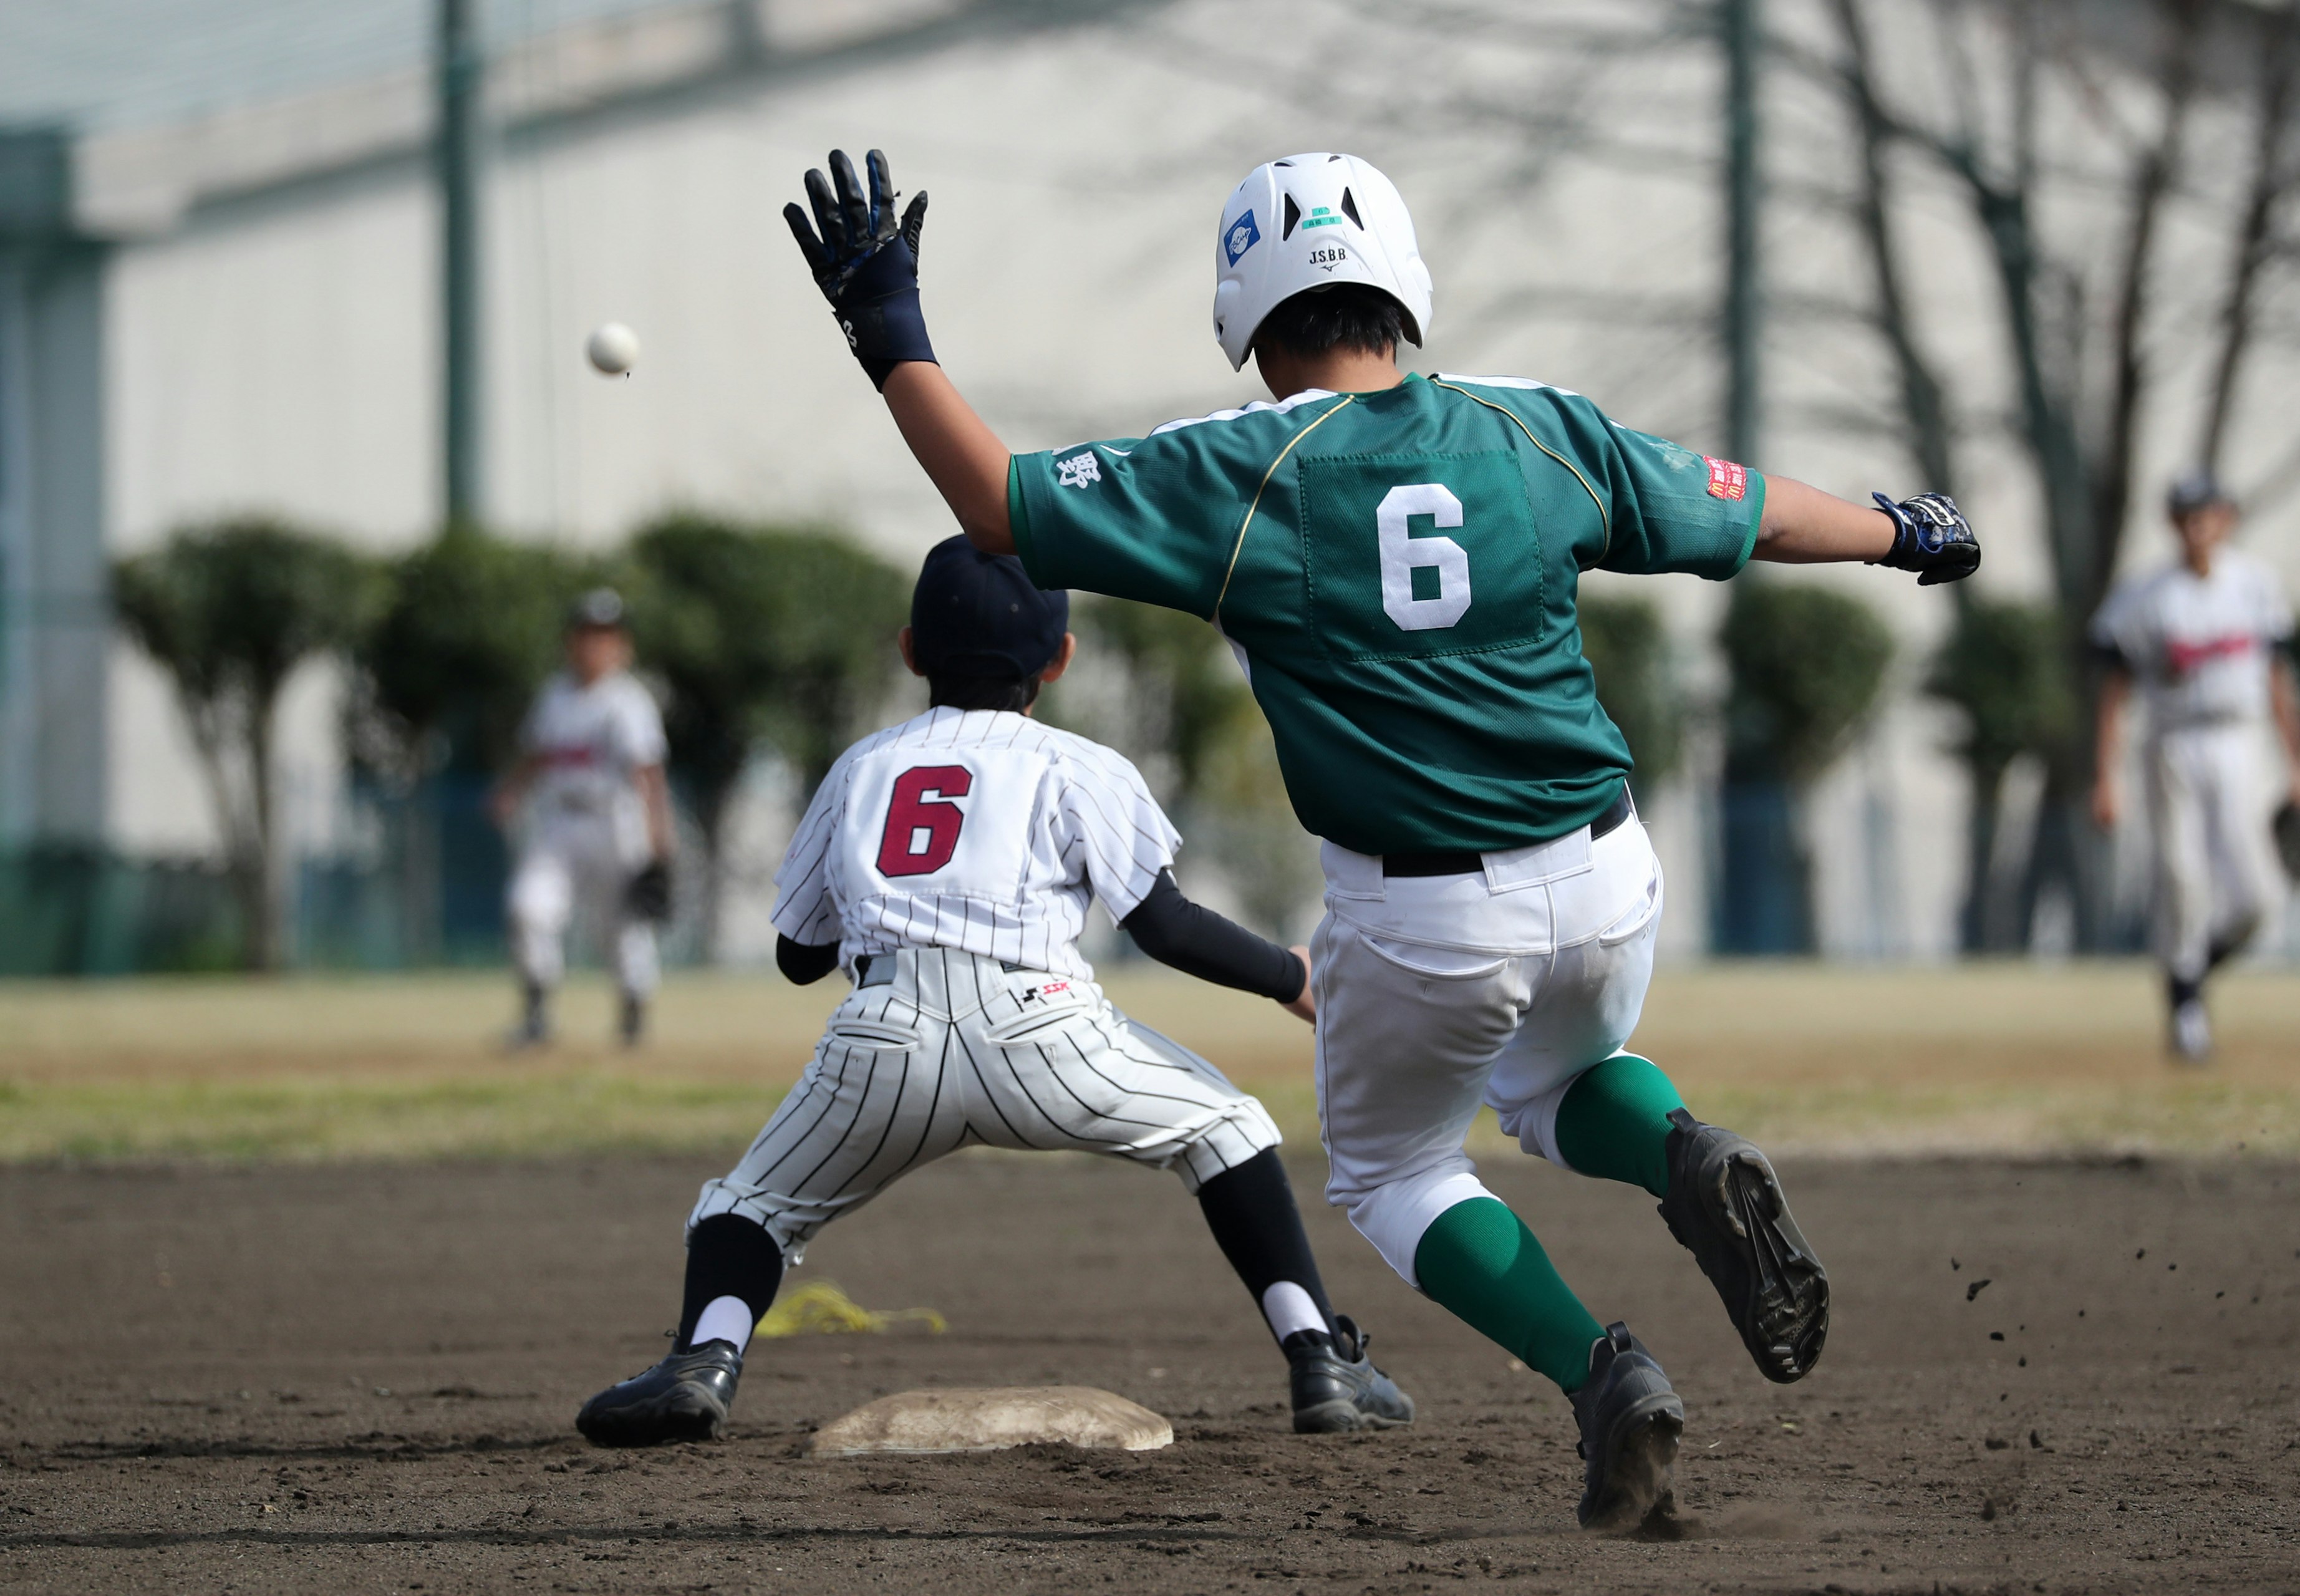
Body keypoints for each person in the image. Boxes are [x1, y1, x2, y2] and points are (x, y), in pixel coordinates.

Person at [779, 147, 1978, 1532]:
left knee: (1395, 1170)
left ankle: (1603, 1371)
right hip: (1606, 875)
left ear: (1246, 309)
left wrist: (892, 332)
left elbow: (997, 506)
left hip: (1423, 919)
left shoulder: (1244, 468)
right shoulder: (1538, 427)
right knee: (1563, 1076)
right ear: (1399, 286)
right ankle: (1684, 1153)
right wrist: (1902, 529)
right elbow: (1746, 507)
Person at [574, 537, 1414, 1446]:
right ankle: (1321, 1357)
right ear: (1060, 658)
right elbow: (1164, 925)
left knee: (748, 1206)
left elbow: (796, 955)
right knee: (1228, 1129)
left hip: (881, 1035)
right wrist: (1294, 976)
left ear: (909, 651)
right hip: (1044, 1028)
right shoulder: (1080, 763)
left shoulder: (862, 766)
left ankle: (703, 1361)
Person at [2089, 471, 2300, 1062]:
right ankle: (2187, 1010)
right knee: (2181, 876)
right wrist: (2105, 777)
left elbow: (2278, 680)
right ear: (2172, 524)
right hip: (2173, 743)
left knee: (2257, 893)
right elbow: (2115, 690)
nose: (2198, 527)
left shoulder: (2255, 584)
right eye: (2187, 516)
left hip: (2243, 740)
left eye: (2208, 514)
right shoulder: (2144, 595)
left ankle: (2190, 973)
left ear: (2227, 519)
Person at [492, 589, 676, 1048]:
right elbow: (536, 753)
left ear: (622, 644)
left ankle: (633, 1013)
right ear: (571, 640)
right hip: (558, 820)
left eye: (606, 634)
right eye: (587, 633)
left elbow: (648, 775)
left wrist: (660, 844)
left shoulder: (627, 701)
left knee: (621, 926)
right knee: (529, 906)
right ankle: (536, 1015)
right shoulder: (555, 694)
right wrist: (511, 790)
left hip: (614, 822)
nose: (595, 644)